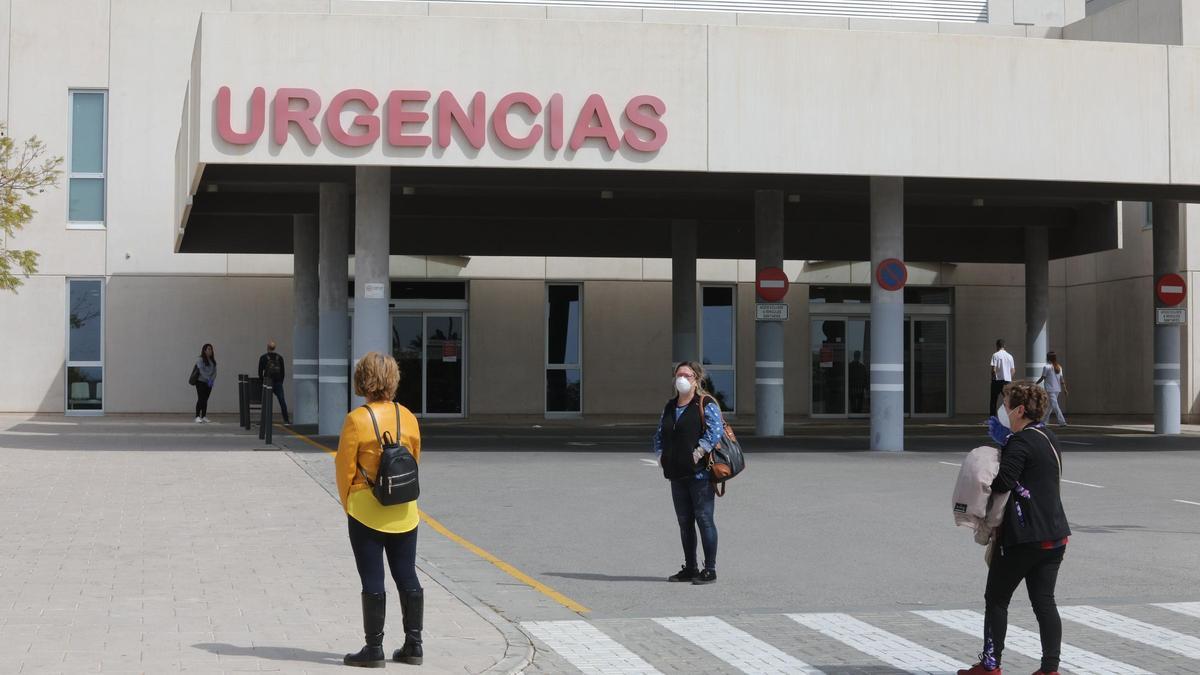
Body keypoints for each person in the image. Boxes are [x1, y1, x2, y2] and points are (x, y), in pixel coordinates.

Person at [959, 381, 1071, 675]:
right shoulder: (1048, 436)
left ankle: (990, 666)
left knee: (996, 599)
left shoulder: (1019, 442)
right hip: (1055, 535)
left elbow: (1005, 482)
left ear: (1020, 410)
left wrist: (983, 475)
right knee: (1044, 602)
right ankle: (1050, 669)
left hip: (1022, 537)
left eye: (1006, 404)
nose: (1002, 410)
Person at [335, 352, 424, 668]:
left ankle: (374, 649)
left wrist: (349, 503)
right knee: (407, 574)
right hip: (404, 510)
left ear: (363, 380)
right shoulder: (409, 417)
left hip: (366, 510)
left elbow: (344, 467)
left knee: (372, 578)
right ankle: (414, 645)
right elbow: (414, 459)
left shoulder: (357, 420)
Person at [652, 361, 724, 585]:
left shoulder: (705, 403)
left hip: (699, 474)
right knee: (684, 522)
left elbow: (715, 432)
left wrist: (698, 452)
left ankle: (709, 569)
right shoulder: (670, 406)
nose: (682, 378)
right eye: (678, 374)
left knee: (704, 519)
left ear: (697, 379)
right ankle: (690, 567)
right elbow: (659, 434)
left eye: (687, 375)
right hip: (676, 474)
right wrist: (661, 455)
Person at [257, 341, 291, 424]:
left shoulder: (263, 357)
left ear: (267, 347)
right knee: (282, 401)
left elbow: (260, 372)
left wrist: (263, 381)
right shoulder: (279, 358)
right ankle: (286, 420)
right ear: (274, 348)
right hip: (278, 382)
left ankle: (264, 421)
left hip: (267, 382)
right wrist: (280, 382)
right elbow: (283, 372)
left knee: (265, 402)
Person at [1036, 352, 1068, 426]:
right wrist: (1065, 389)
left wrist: (1035, 384)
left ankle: (1062, 422)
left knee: (1055, 405)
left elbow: (1042, 378)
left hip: (1050, 389)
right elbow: (1062, 379)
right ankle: (1044, 421)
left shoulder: (1046, 367)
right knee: (1050, 406)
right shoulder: (1059, 367)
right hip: (1057, 389)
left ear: (1048, 358)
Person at [989, 339, 1014, 415]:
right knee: (1008, 400)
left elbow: (994, 370)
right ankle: (1010, 417)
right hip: (1007, 381)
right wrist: (1009, 378)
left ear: (997, 345)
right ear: (1004, 345)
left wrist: (993, 378)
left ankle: (992, 418)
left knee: (993, 400)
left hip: (997, 380)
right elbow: (1013, 370)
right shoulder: (1010, 356)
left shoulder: (995, 355)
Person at [193, 343, 216, 423]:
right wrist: (208, 378)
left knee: (206, 399)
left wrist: (211, 380)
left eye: (211, 349)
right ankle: (197, 416)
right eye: (209, 349)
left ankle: (204, 416)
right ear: (204, 350)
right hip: (200, 382)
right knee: (201, 398)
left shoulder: (212, 360)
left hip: (209, 382)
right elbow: (201, 371)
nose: (210, 350)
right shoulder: (200, 359)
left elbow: (214, 371)